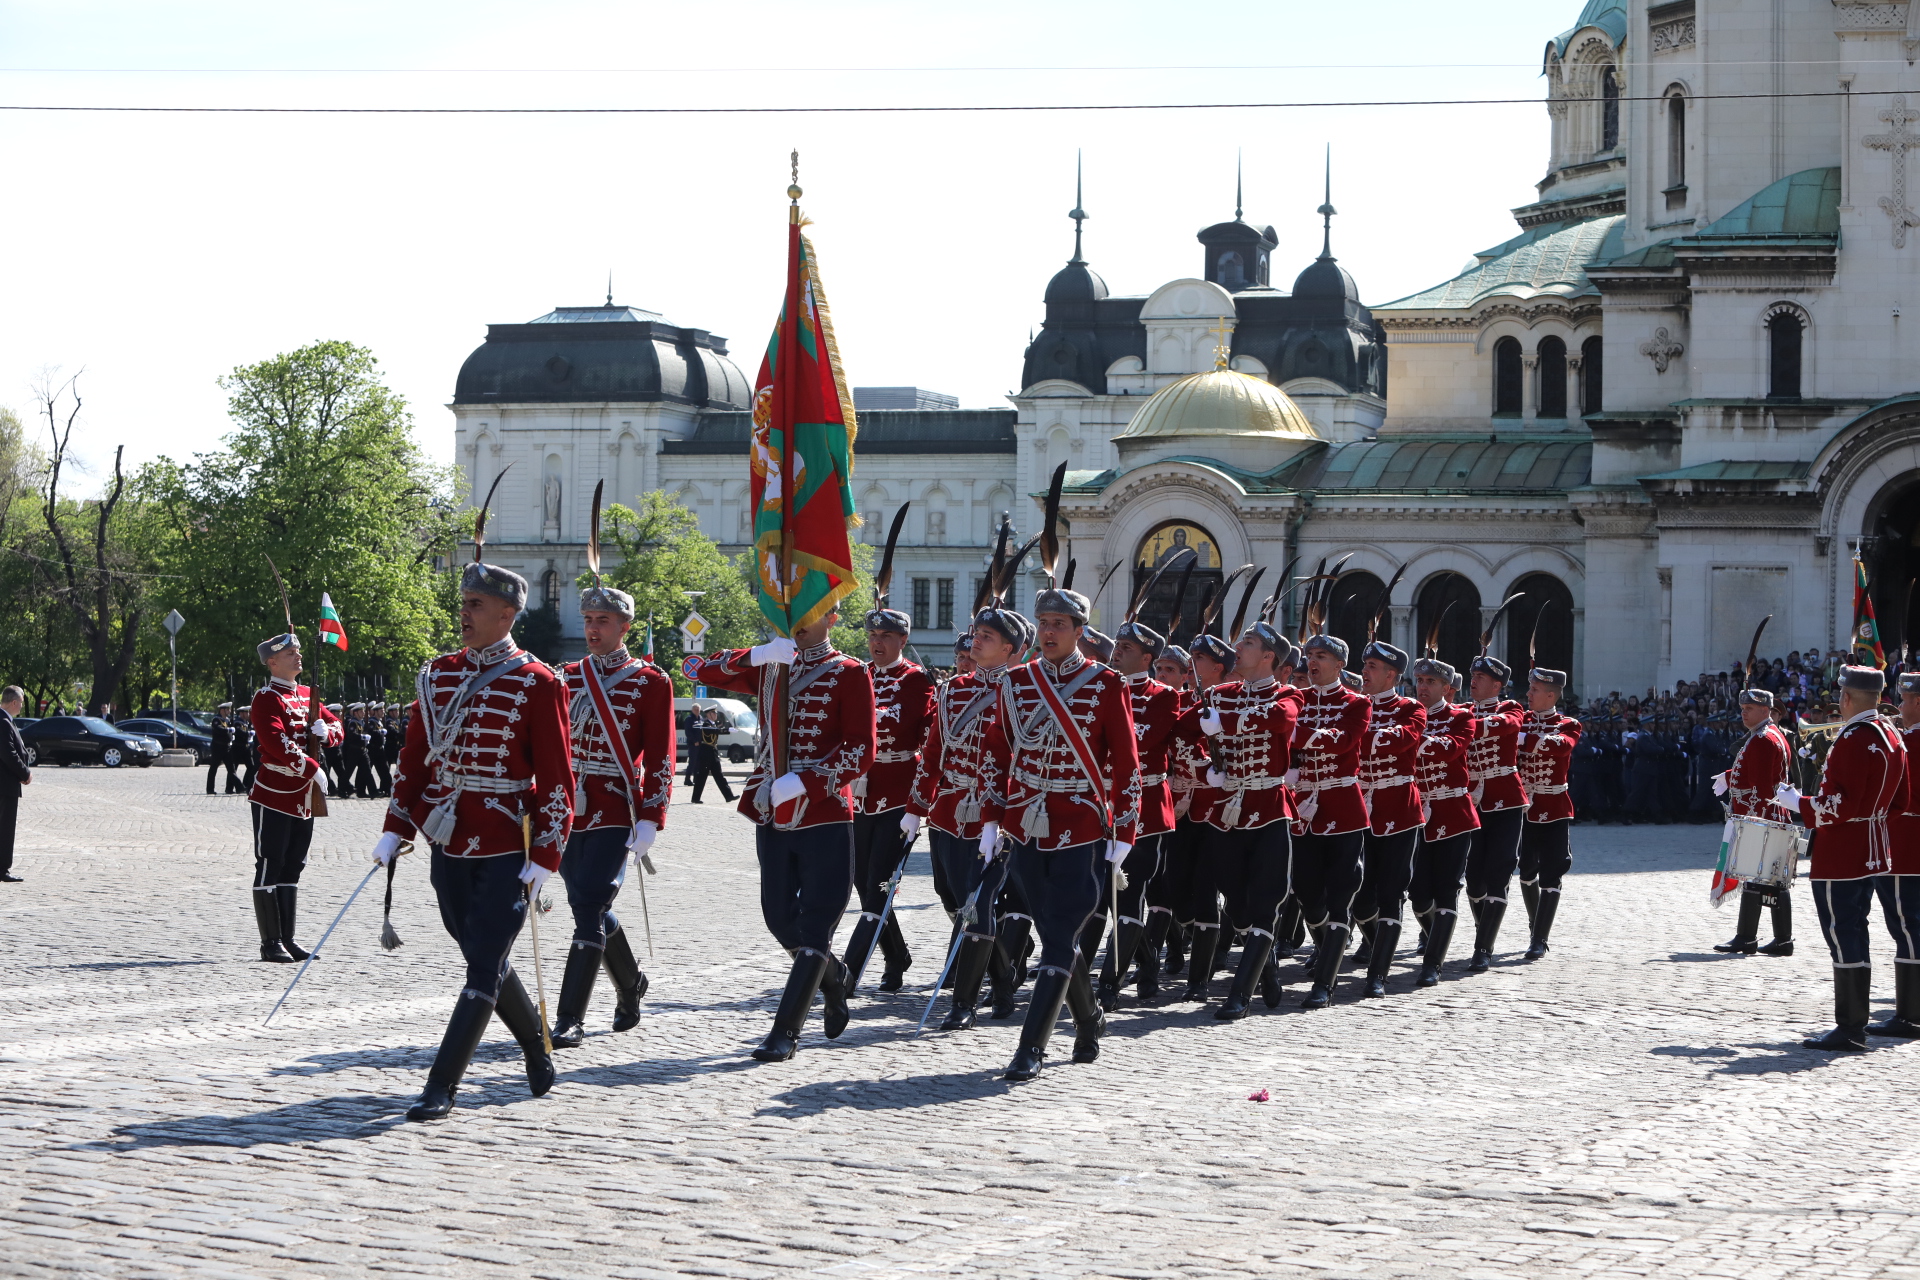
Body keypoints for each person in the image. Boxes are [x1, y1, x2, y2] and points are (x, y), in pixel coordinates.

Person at [373, 561, 575, 1121]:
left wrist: (546, 856)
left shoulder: (538, 682)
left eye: (476, 606)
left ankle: (441, 1085)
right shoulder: (437, 675)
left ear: (508, 614)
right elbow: (414, 761)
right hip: (449, 840)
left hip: (510, 843)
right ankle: (535, 1042)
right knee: (485, 960)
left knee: (483, 967)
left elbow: (558, 778)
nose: (463, 613)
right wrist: (396, 828)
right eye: (463, 603)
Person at [689, 609, 876, 1062]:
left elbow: (860, 747)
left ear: (832, 614)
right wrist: (755, 653)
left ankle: (785, 1033)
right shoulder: (772, 667)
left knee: (815, 923)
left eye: (808, 612)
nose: (796, 622)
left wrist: (811, 781)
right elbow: (697, 668)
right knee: (778, 917)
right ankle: (832, 977)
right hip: (773, 808)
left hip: (824, 812)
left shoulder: (850, 673)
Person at [997, 586, 1139, 1081]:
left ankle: (1030, 1046)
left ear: (1081, 631)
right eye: (1044, 622)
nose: (1049, 632)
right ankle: (1088, 1017)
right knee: (1053, 931)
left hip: (1080, 823)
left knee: (1060, 934)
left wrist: (1125, 830)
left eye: (1060, 623)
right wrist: (994, 820)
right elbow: (1000, 756)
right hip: (1025, 822)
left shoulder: (1105, 685)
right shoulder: (1017, 682)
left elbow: (1126, 765)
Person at [550, 581, 673, 1048]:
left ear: (624, 626)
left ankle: (569, 1018)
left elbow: (660, 755)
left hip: (614, 806)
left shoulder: (650, 681)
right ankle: (630, 983)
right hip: (566, 809)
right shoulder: (566, 676)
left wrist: (650, 816)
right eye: (587, 620)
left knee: (587, 907)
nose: (593, 629)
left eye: (602, 621)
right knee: (592, 903)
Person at [1774, 664, 1907, 1051]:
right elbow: (1900, 800)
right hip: (1874, 848)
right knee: (1855, 933)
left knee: (1842, 935)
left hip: (1843, 851)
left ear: (1847, 698)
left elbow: (1838, 804)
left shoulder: (1854, 738)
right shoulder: (1891, 734)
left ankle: (1850, 1026)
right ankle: (1855, 1023)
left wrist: (1797, 803)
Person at [908, 605, 1019, 1029]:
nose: (976, 641)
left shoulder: (1021, 688)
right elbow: (935, 750)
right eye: (976, 634)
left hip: (998, 814)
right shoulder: (952, 689)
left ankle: (964, 1002)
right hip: (950, 810)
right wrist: (916, 808)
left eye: (987, 637)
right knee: (956, 901)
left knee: (979, 901)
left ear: (1008, 648)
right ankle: (1004, 981)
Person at [1191, 623, 1300, 1018]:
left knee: (1266, 902)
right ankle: (1266, 969)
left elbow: (1278, 720)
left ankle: (1239, 994)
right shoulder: (1218, 695)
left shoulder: (1288, 695)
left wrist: (1225, 725)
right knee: (1236, 906)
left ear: (1269, 656)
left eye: (1248, 644)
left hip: (1269, 807)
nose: (1238, 648)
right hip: (1226, 812)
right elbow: (1182, 736)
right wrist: (1205, 770)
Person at [1093, 614, 1184, 1010]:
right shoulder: (1098, 688)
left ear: (1147, 658)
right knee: (1100, 896)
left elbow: (1139, 743)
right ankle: (1147, 967)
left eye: (1126, 648)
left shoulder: (1164, 697)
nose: (1117, 653)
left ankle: (1109, 983)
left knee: (1128, 896)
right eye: (1117, 645)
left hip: (1144, 806)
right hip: (1102, 808)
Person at [844, 604, 935, 991]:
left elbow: (922, 733)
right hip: (858, 791)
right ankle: (897, 954)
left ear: (903, 640)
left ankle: (847, 972)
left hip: (899, 792)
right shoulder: (856, 675)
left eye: (885, 637)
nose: (877, 643)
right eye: (872, 636)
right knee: (861, 882)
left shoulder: (916, 680)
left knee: (880, 880)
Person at [248, 631, 345, 963]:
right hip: (275, 793)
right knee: (269, 864)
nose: (298, 656)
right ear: (273, 662)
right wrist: (312, 767)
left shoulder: (307, 695)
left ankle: (288, 939)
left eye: (298, 651)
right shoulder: (266, 697)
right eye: (290, 653)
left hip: (304, 797)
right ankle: (269, 942)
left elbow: (338, 728)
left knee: (293, 866)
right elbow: (275, 742)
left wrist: (326, 732)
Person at [1287, 634, 1372, 1009]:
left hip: (1342, 806)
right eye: (1309, 655)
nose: (1312, 662)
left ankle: (1326, 981)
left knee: (1341, 894)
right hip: (1303, 808)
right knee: (1307, 894)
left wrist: (1293, 733)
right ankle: (1328, 949)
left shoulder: (1357, 703)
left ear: (1340, 664)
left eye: (1320, 656)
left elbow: (1341, 741)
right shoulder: (1295, 701)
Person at [1351, 641, 1425, 998]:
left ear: (1392, 675)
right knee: (1360, 896)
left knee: (1391, 892)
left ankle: (1378, 971)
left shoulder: (1411, 708)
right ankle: (1376, 943)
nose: (1364, 671)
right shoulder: (1355, 707)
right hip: (1358, 808)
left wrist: (1350, 736)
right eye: (1365, 664)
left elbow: (1399, 741)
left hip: (1398, 809)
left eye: (1373, 666)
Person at [1408, 658, 1478, 985]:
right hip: (1414, 813)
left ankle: (1432, 962)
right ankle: (1436, 934)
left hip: (1452, 811)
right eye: (1419, 680)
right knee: (1418, 894)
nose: (1422, 687)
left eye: (1430, 682)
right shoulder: (1406, 715)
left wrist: (1407, 740)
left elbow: (1450, 749)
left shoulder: (1461, 717)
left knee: (1446, 889)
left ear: (1447, 689)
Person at [1712, 689, 1795, 956]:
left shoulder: (1761, 739)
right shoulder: (1772, 735)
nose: (1743, 712)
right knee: (1772, 880)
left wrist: (1749, 820)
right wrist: (1729, 775)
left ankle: (1747, 937)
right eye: (1742, 707)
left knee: (1753, 874)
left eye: (1749, 708)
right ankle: (1782, 939)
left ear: (1765, 710)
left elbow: (1761, 787)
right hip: (1773, 815)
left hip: (1760, 816)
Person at [1464, 656, 1529, 972]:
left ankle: (1483, 947)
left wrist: (1464, 726)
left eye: (1480, 676)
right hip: (1472, 805)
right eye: (1472, 674)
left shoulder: (1511, 709)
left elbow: (1507, 726)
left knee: (1499, 873)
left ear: (1497, 685)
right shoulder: (1463, 712)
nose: (1473, 680)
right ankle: (1484, 929)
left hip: (1505, 802)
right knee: (1474, 879)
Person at [1516, 668, 1582, 959]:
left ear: (1551, 695)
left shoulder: (1568, 724)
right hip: (1523, 808)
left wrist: (1522, 739)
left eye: (1534, 690)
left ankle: (1540, 937)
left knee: (1552, 870)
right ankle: (1535, 922)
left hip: (1553, 806)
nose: (1528, 694)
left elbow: (1560, 746)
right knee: (1526, 869)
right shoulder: (1521, 720)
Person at [1868, 670, 1920, 1038]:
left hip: (1905, 846)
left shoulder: (1910, 744)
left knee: (1907, 928)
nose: (1899, 707)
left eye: (1904, 700)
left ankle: (1910, 1014)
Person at [0, 686, 30, 883]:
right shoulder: (3, 722)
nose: (21, 706)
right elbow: (8, 753)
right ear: (14, 702)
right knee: (5, 828)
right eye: (20, 702)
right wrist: (25, 773)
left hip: (6, 783)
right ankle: (2, 869)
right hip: (5, 784)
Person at [688, 709, 735, 804]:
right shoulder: (706, 725)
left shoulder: (713, 724)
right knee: (702, 776)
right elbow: (713, 731)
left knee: (719, 775)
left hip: (713, 752)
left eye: (716, 713)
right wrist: (726, 729)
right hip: (705, 753)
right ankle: (695, 798)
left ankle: (728, 796)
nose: (716, 714)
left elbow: (715, 731)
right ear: (709, 714)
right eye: (714, 713)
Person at [207, 704, 234, 796]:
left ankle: (236, 787)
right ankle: (210, 789)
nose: (229, 711)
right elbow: (218, 729)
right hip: (217, 747)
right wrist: (228, 730)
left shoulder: (227, 720)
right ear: (222, 710)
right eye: (227, 709)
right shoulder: (216, 720)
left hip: (226, 747)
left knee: (231, 769)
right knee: (213, 768)